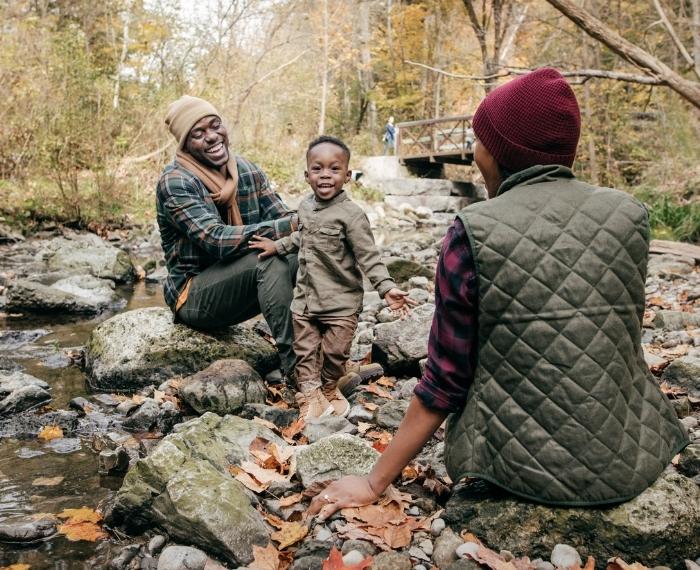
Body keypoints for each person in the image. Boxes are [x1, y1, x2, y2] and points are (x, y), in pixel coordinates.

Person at [308, 68, 688, 519]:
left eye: (479, 142)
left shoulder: (472, 231)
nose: (475, 154)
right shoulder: (629, 214)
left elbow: (446, 379)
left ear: (500, 152)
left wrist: (374, 480)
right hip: (631, 452)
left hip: (518, 467)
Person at [250, 136, 413, 421]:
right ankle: (310, 394)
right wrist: (276, 246)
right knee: (305, 351)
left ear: (347, 176)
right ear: (307, 175)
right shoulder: (304, 207)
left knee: (335, 353)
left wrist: (386, 287)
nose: (325, 174)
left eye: (334, 169)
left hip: (340, 304)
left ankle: (329, 385)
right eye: (318, 168)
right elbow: (302, 237)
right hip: (305, 301)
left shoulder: (352, 215)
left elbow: (368, 256)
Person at [156, 95, 298, 377]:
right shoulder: (176, 181)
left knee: (311, 248)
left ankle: (330, 357)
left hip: (241, 285)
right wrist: (297, 225)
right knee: (268, 256)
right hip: (195, 296)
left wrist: (318, 221)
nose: (212, 136)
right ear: (185, 143)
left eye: (215, 125)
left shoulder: (246, 170)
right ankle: (300, 371)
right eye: (198, 133)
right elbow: (216, 239)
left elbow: (282, 216)